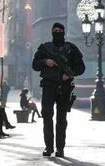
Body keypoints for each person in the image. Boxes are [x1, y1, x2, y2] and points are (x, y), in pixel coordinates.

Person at [32, 22, 85, 158]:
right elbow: (35, 65)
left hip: (64, 87)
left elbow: (81, 67)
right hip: (48, 86)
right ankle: (49, 147)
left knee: (61, 119)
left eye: (60, 30)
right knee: (47, 116)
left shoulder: (71, 49)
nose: (57, 32)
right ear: (52, 32)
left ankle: (60, 148)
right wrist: (45, 62)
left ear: (64, 32)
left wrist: (70, 73)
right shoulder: (45, 48)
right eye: (55, 30)